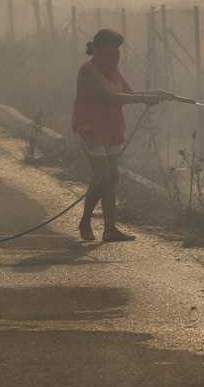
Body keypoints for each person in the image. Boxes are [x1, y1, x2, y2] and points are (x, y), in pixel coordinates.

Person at [71, 28, 173, 242]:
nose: (114, 54)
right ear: (97, 49)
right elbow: (109, 96)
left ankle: (110, 229)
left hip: (111, 127)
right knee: (103, 177)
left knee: (113, 178)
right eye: (110, 49)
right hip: (91, 127)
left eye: (117, 49)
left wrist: (157, 93)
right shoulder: (88, 70)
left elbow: (132, 93)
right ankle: (85, 222)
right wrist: (144, 100)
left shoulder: (114, 71)